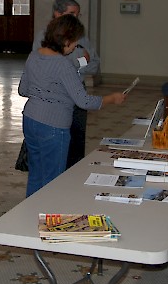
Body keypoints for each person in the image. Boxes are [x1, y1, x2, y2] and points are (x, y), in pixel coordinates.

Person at [20, 14, 125, 197]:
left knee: (36, 175)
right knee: (53, 179)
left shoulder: (34, 56)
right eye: (75, 42)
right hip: (54, 127)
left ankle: (31, 215)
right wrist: (111, 99)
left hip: (30, 120)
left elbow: (23, 89)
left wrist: (45, 91)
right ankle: (47, 218)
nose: (76, 46)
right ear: (66, 41)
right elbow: (83, 101)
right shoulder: (63, 65)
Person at [32, 0, 100, 169]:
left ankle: (73, 175)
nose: (75, 19)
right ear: (57, 14)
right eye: (71, 14)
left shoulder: (81, 36)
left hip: (78, 92)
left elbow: (94, 63)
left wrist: (78, 65)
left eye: (77, 15)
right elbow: (43, 68)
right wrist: (75, 64)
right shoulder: (43, 36)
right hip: (55, 97)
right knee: (55, 145)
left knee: (77, 140)